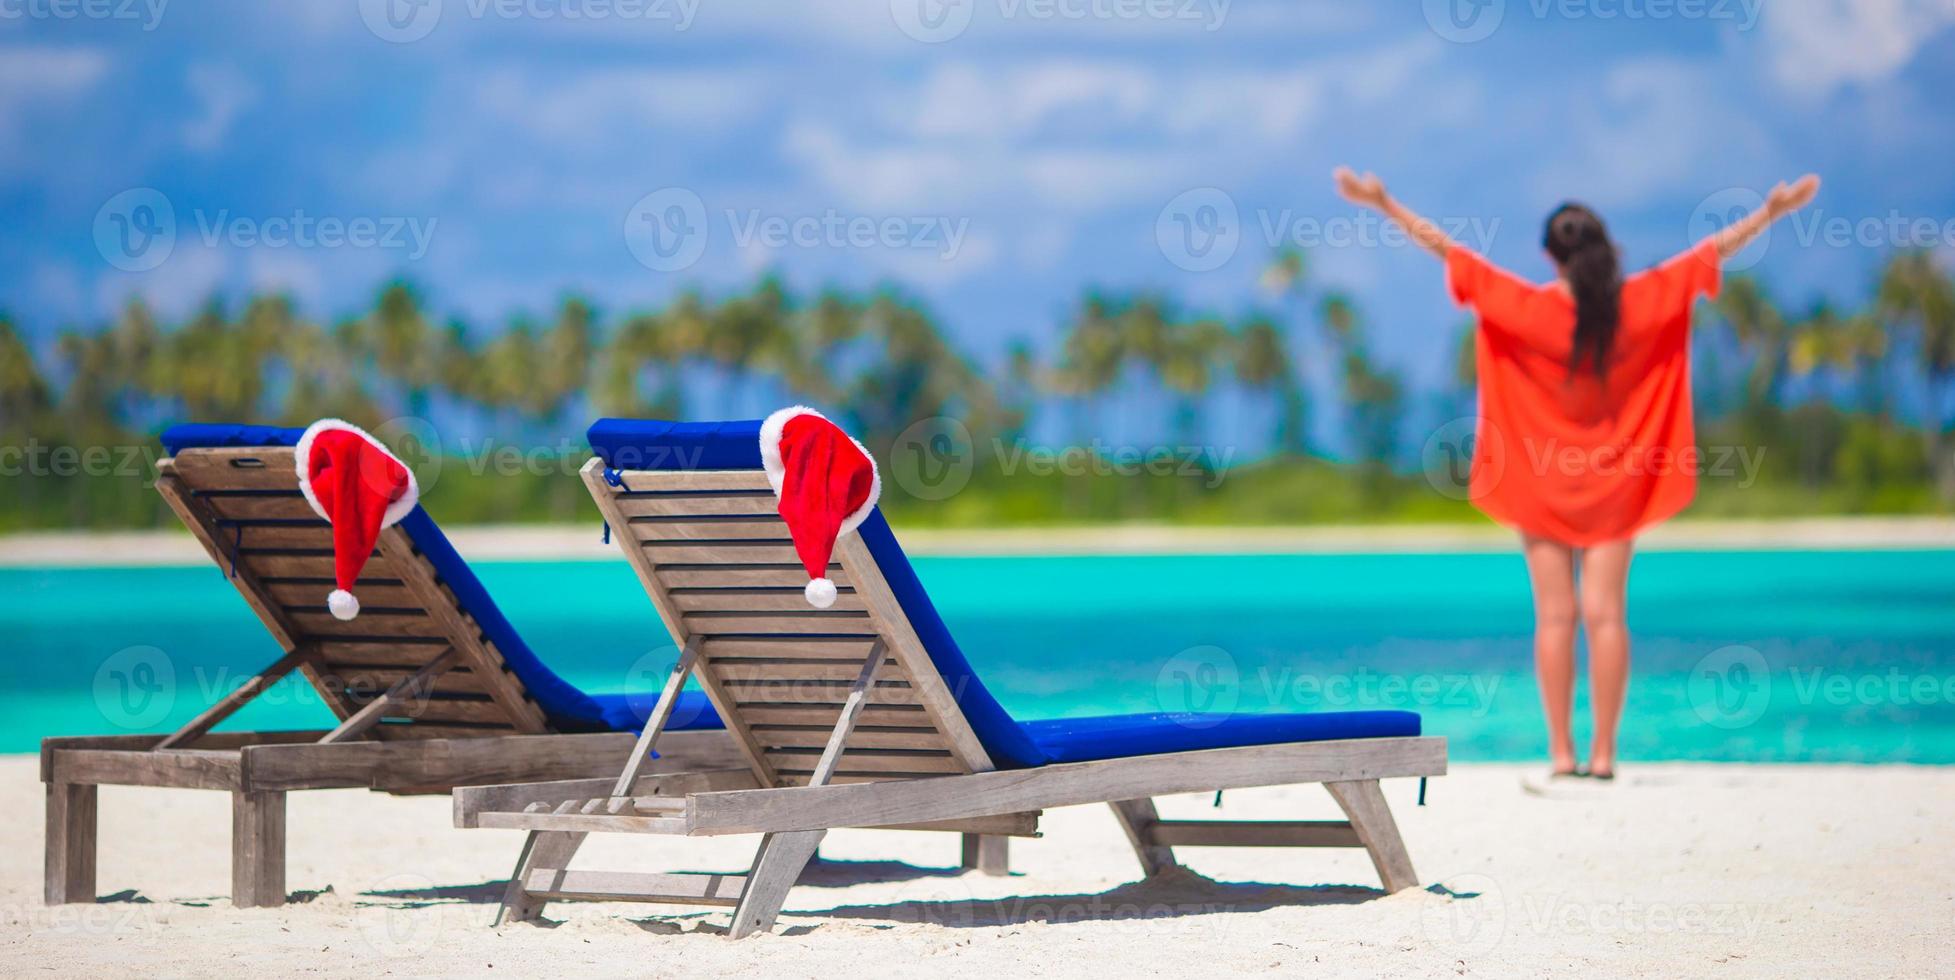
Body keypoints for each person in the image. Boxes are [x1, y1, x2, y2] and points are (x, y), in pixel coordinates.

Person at [1333, 167, 1820, 780]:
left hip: (1539, 482)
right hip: (1619, 481)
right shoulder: (1641, 301)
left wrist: (1383, 203)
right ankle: (1606, 754)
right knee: (1607, 615)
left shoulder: (1524, 307)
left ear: (1549, 255)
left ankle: (1562, 753)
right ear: (1604, 248)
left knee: (1556, 617)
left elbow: (1446, 249)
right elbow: (1709, 253)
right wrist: (1771, 212)